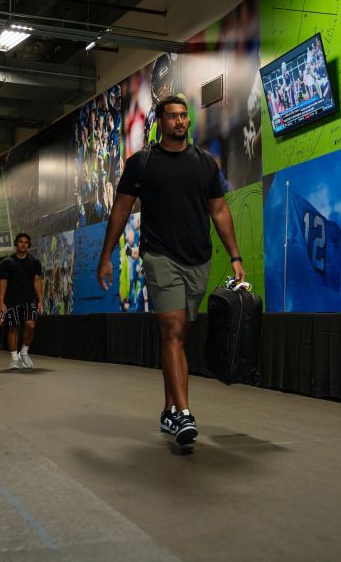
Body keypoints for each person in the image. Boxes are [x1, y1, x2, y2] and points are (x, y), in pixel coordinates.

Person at [97, 95, 245, 446]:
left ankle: (167, 411)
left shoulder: (205, 164)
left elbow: (220, 211)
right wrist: (106, 256)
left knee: (177, 337)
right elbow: (120, 211)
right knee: (173, 329)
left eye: (184, 116)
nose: (180, 122)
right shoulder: (142, 164)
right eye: (173, 116)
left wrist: (235, 256)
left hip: (198, 258)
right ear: (159, 122)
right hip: (159, 256)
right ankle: (183, 413)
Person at [0, 233, 43, 370]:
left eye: (26, 242)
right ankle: (14, 359)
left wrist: (40, 300)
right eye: (21, 242)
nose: (23, 244)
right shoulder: (7, 262)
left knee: (31, 326)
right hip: (11, 300)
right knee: (14, 328)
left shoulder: (35, 262)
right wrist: (1, 301)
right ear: (16, 243)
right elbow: (3, 283)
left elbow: (37, 281)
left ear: (29, 244)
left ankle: (23, 352)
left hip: (29, 299)